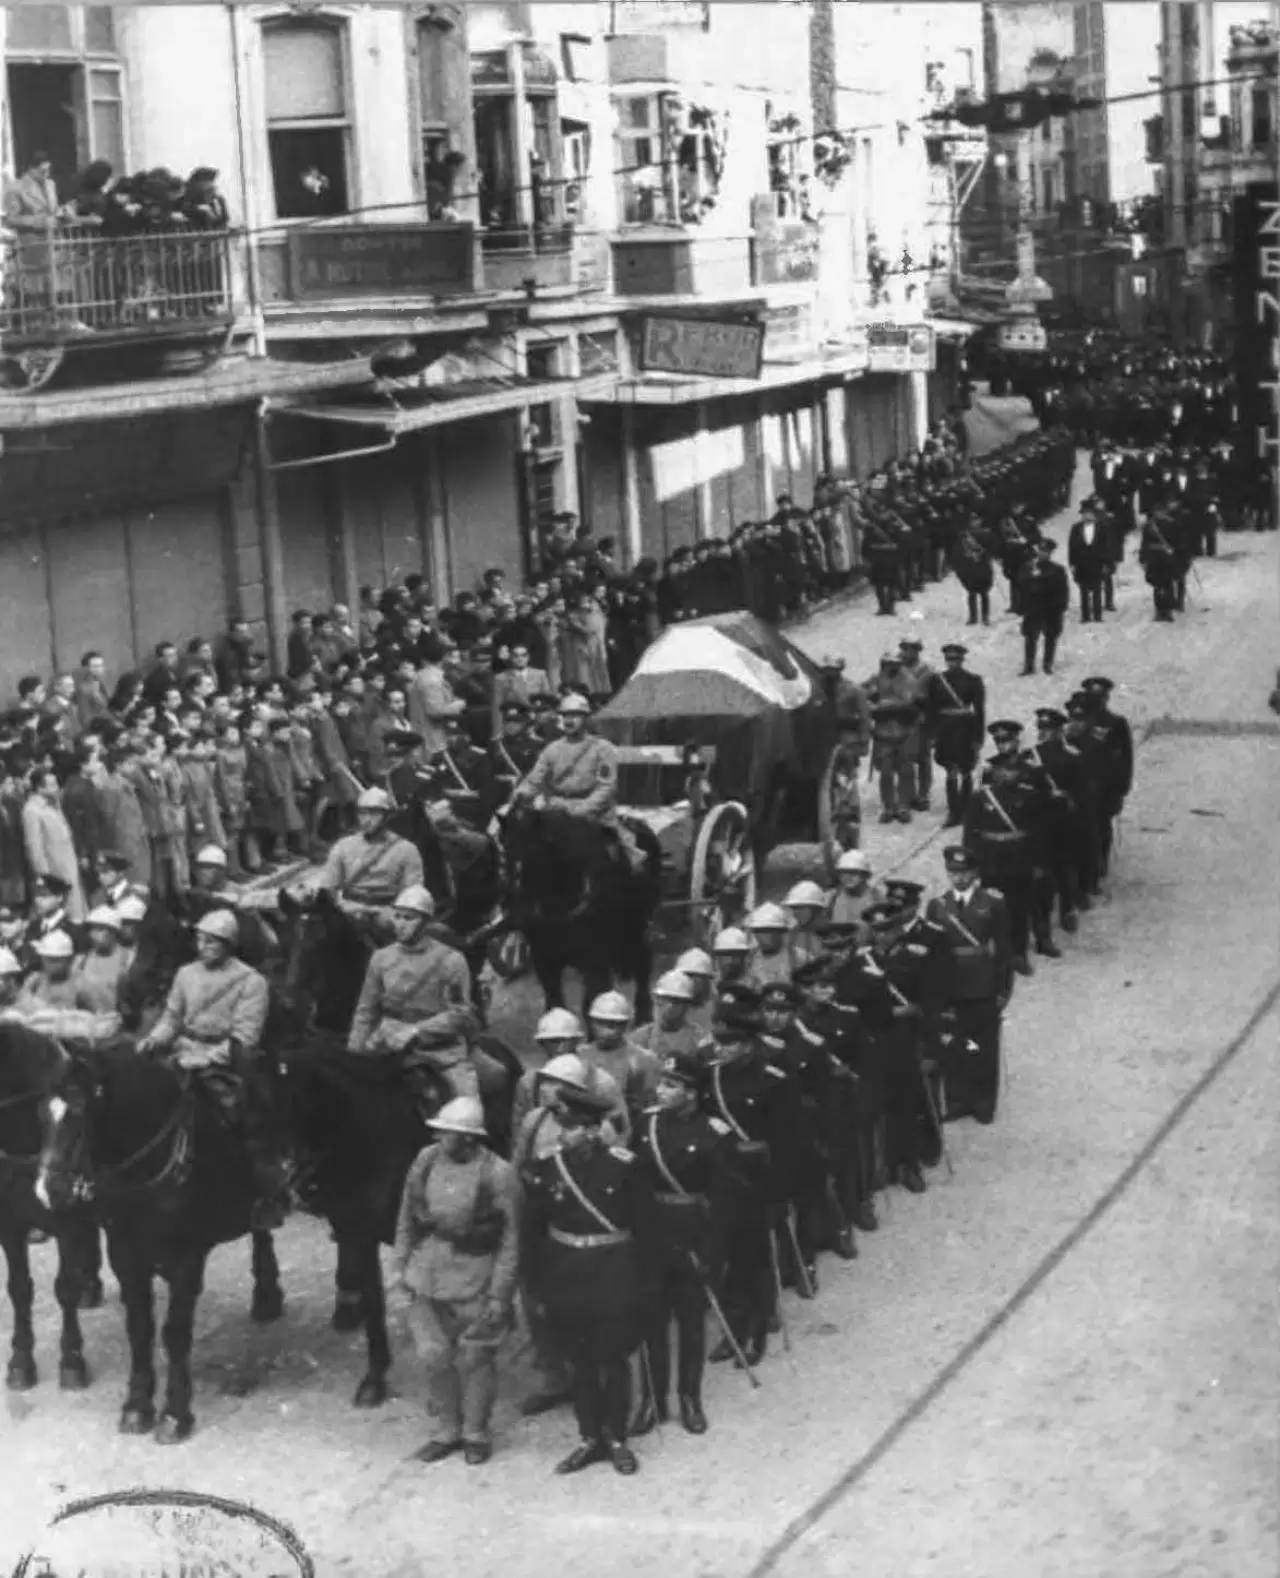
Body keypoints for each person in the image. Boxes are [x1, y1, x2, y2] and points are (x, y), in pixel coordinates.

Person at [518, 1081, 656, 1476]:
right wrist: (537, 1285)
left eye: (574, 1127)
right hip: (566, 1275)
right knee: (579, 1362)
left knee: (611, 1359)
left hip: (613, 1273)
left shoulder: (625, 1166)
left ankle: (615, 1438)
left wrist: (645, 1286)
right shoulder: (546, 1168)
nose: (564, 1134)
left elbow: (647, 1230)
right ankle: (588, 1437)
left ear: (594, 1130)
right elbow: (534, 1232)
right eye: (563, 1126)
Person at [388, 1097, 518, 1468]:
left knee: (477, 1356)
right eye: (443, 1132)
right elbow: (406, 1218)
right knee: (433, 1357)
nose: (446, 1140)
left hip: (476, 1276)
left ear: (472, 1139)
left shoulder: (498, 1173)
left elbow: (511, 1239)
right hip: (426, 1275)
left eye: (455, 1135)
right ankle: (447, 1429)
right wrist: (398, 1269)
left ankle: (475, 1431)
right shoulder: (425, 1161)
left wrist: (501, 1295)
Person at [137, 908, 286, 1229]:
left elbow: (245, 1036)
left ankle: (263, 1192)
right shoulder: (185, 974)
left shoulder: (251, 981)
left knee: (242, 1119)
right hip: (182, 1051)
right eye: (201, 939)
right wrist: (153, 1039)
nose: (204, 945)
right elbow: (172, 1018)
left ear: (228, 944)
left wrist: (208, 1058)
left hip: (227, 1061)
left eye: (212, 941)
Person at [629, 1051, 737, 1437]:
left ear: (692, 1093)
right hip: (653, 1237)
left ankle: (690, 1396)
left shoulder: (714, 1133)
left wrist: (711, 1253)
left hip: (693, 1236)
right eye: (662, 1083)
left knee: (691, 1322)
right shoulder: (647, 1124)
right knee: (651, 1323)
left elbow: (722, 1200)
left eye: (672, 1085)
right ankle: (652, 1400)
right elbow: (636, 1183)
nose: (662, 1091)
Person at [347, 884, 478, 1105]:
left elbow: (460, 1014)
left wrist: (417, 1031)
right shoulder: (381, 958)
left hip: (440, 1051)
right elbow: (366, 1011)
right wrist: (352, 1054)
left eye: (409, 918)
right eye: (397, 917)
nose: (400, 924)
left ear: (425, 922)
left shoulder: (451, 960)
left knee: (468, 1106)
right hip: (386, 1044)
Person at [925, 846, 1011, 1123]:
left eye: (964, 872)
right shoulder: (938, 906)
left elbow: (1004, 950)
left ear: (975, 873)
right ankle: (958, 1100)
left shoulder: (993, 903)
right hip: (952, 986)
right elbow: (933, 953)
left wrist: (1003, 989)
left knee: (983, 1047)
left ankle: (984, 1103)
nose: (958, 878)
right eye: (953, 872)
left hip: (983, 985)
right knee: (955, 1044)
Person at [512, 692, 641, 869]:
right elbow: (534, 780)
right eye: (565, 716)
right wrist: (521, 796)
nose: (569, 721)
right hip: (556, 809)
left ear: (586, 719)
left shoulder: (602, 748)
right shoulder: (552, 749)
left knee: (619, 855)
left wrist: (583, 808)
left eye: (575, 716)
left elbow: (606, 787)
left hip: (593, 813)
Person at [317, 786, 424, 932]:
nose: (367, 819)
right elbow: (329, 887)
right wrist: (342, 908)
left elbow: (412, 893)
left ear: (386, 816)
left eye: (374, 813)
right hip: (349, 908)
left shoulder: (407, 849)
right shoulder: (343, 845)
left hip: (388, 911)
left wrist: (386, 912)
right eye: (362, 813)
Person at [925, 643, 986, 828]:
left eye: (956, 659)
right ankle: (954, 811)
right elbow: (931, 709)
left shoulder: (973, 680)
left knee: (966, 770)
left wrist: (978, 737)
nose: (953, 663)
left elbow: (979, 711)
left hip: (965, 728)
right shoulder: (937, 680)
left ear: (962, 660)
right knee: (950, 771)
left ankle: (966, 809)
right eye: (950, 659)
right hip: (945, 730)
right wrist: (932, 733)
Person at [585, 991, 661, 1129]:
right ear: (592, 1022)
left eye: (614, 1024)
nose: (607, 1030)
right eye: (601, 1023)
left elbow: (651, 1107)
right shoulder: (580, 1056)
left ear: (625, 1025)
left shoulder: (644, 1060)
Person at [22, 767, 88, 923]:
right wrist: (45, 878)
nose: (56, 788)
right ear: (39, 788)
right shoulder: (32, 810)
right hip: (54, 871)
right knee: (64, 911)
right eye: (51, 785)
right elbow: (34, 847)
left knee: (77, 904)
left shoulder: (55, 804)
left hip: (68, 862)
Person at [863, 652, 921, 825]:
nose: (890, 667)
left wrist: (884, 705)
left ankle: (903, 806)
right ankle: (889, 807)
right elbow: (862, 695)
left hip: (904, 733)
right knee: (886, 774)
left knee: (905, 772)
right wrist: (873, 705)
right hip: (883, 735)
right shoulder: (876, 679)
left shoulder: (908, 679)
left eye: (893, 664)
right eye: (887, 663)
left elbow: (908, 702)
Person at [1017, 538, 1069, 676]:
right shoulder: (1028, 568)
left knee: (1050, 636)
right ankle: (1029, 665)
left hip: (1051, 608)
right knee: (1030, 637)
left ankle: (1047, 664)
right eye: (1041, 551)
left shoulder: (1057, 570)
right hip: (1033, 608)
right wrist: (1021, 606)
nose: (1042, 554)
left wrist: (1061, 607)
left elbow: (1063, 590)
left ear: (1050, 553)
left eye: (1046, 551)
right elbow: (1021, 586)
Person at [628, 970, 703, 1063]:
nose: (670, 1006)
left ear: (687, 1005)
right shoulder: (639, 1038)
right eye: (666, 999)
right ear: (657, 1000)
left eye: (677, 1001)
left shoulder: (698, 1037)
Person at [897, 638, 935, 812]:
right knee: (905, 759)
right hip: (901, 720)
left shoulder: (927, 671)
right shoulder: (895, 667)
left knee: (924, 759)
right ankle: (909, 793)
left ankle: (924, 794)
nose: (905, 653)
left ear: (917, 651)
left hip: (922, 720)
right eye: (904, 649)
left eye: (909, 649)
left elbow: (934, 697)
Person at [1067, 500, 1112, 624]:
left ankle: (1097, 615)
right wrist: (1072, 563)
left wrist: (1107, 563)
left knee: (1097, 588)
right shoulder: (1076, 528)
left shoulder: (1102, 528)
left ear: (1094, 515)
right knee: (1083, 590)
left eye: (1090, 514)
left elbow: (1106, 546)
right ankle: (1085, 615)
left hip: (1096, 562)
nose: (1087, 516)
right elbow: (1071, 546)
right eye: (1085, 514)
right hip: (1081, 562)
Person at [827, 849, 879, 938]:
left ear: (865, 875)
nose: (848, 877)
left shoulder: (876, 897)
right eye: (844, 873)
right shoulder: (831, 897)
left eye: (853, 873)